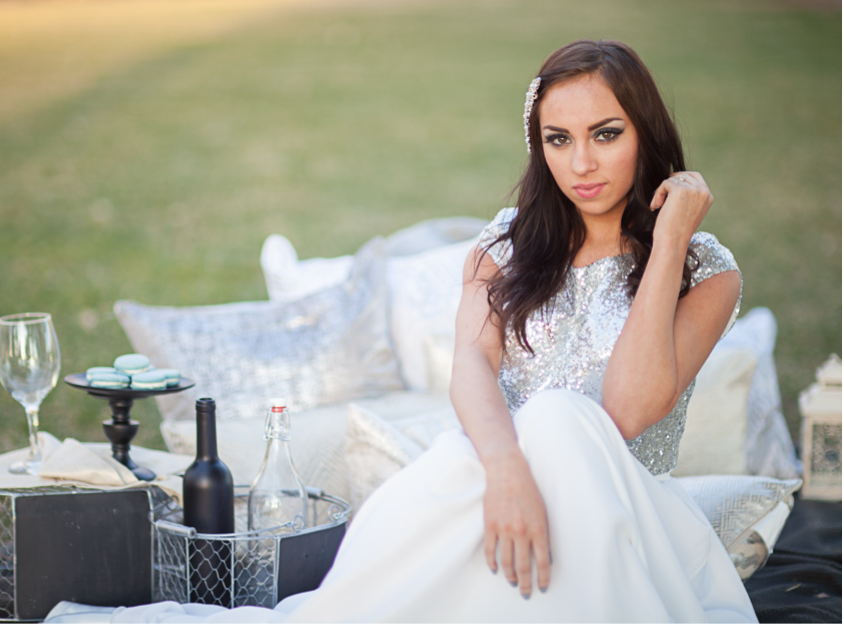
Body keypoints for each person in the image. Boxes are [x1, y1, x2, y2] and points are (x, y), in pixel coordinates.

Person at [55, 39, 757, 623]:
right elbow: (472, 370)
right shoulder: (503, 248)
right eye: (558, 139)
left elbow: (628, 414)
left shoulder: (702, 270)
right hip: (492, 483)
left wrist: (665, 247)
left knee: (561, 416)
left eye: (606, 134)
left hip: (620, 519)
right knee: (450, 475)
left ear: (645, 131)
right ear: (535, 143)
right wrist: (506, 471)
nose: (580, 164)